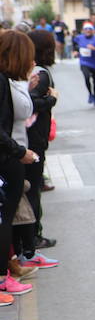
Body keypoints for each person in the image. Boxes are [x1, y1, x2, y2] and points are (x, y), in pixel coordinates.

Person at [0, 31, 42, 301]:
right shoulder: (2, 82)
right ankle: (3, 279)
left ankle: (7, 270)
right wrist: (18, 152)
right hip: (7, 158)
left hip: (10, 156)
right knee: (5, 219)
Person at [25, 29, 58, 251]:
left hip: (31, 139)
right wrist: (52, 100)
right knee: (32, 189)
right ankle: (33, 238)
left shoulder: (36, 71)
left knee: (31, 188)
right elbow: (32, 104)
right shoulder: (41, 74)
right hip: (32, 140)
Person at [72, 22, 95, 106]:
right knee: (86, 77)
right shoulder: (79, 38)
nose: (87, 31)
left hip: (94, 63)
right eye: (86, 29)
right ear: (83, 30)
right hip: (84, 62)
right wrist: (75, 51)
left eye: (89, 29)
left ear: (93, 31)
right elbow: (74, 43)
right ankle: (90, 94)